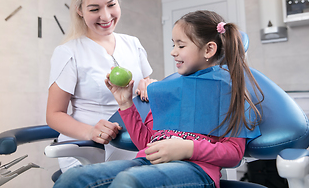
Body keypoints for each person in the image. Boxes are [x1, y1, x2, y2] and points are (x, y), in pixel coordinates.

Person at [53, 10, 264, 188]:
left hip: (197, 170)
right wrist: (125, 102)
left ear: (209, 49)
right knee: (73, 178)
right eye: (173, 44)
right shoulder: (166, 90)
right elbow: (147, 142)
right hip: (148, 162)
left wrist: (186, 148)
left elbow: (234, 153)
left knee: (129, 181)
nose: (173, 52)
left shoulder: (230, 92)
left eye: (181, 46)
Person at [46, 0, 154, 173]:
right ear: (79, 10)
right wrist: (90, 132)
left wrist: (148, 86)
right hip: (88, 151)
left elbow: (143, 90)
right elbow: (54, 114)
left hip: (135, 145)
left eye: (111, 5)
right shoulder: (69, 52)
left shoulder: (133, 44)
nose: (106, 16)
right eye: (94, 9)